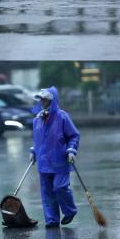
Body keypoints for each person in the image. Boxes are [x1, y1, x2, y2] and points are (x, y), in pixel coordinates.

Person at [28, 86, 80, 228]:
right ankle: (52, 220)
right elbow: (39, 140)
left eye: (45, 99)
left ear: (52, 100)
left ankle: (70, 211)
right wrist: (33, 151)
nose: (42, 102)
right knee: (47, 193)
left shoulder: (62, 117)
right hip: (44, 163)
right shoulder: (37, 120)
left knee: (60, 186)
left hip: (60, 161)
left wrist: (71, 150)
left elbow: (73, 135)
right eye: (41, 99)